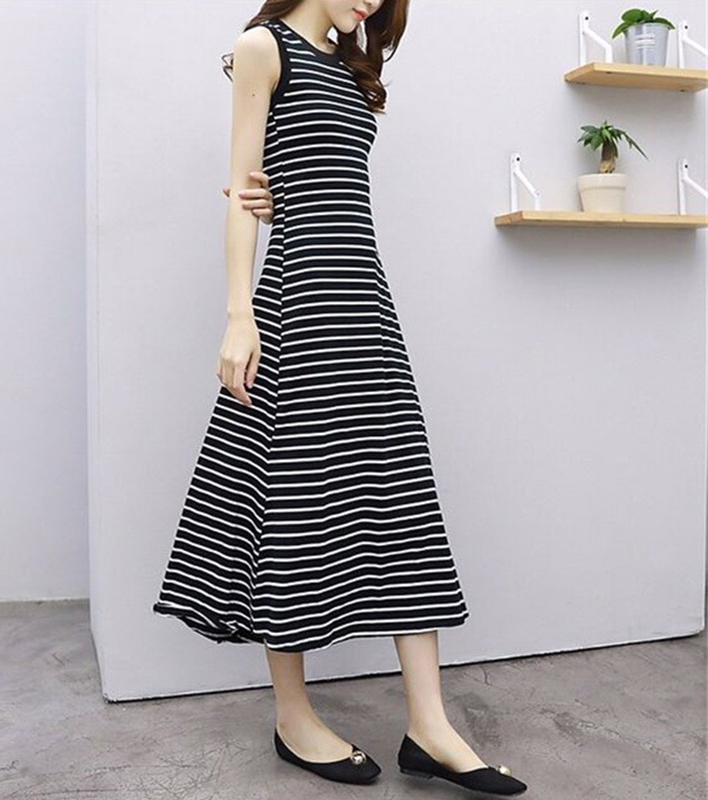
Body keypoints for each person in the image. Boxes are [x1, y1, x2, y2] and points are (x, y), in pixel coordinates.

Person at [153, 0, 528, 794]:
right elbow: (243, 191)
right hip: (299, 302)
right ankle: (294, 717)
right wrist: (239, 314)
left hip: (365, 300)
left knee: (401, 495)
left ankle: (428, 725)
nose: (371, 6)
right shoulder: (263, 48)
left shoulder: (351, 67)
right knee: (290, 496)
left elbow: (323, 182)